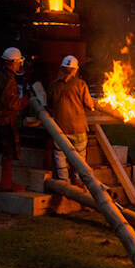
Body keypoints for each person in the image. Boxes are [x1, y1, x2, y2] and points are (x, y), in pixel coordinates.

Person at [0, 47, 29, 192]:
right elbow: (11, 103)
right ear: (14, 62)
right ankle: (6, 184)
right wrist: (25, 101)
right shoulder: (9, 80)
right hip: (5, 122)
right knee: (7, 152)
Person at [47, 55, 95, 183]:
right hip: (78, 128)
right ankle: (79, 179)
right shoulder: (81, 84)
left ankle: (64, 180)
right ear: (75, 70)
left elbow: (49, 105)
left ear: (62, 68)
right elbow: (90, 105)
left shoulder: (53, 85)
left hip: (60, 128)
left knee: (60, 154)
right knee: (80, 156)